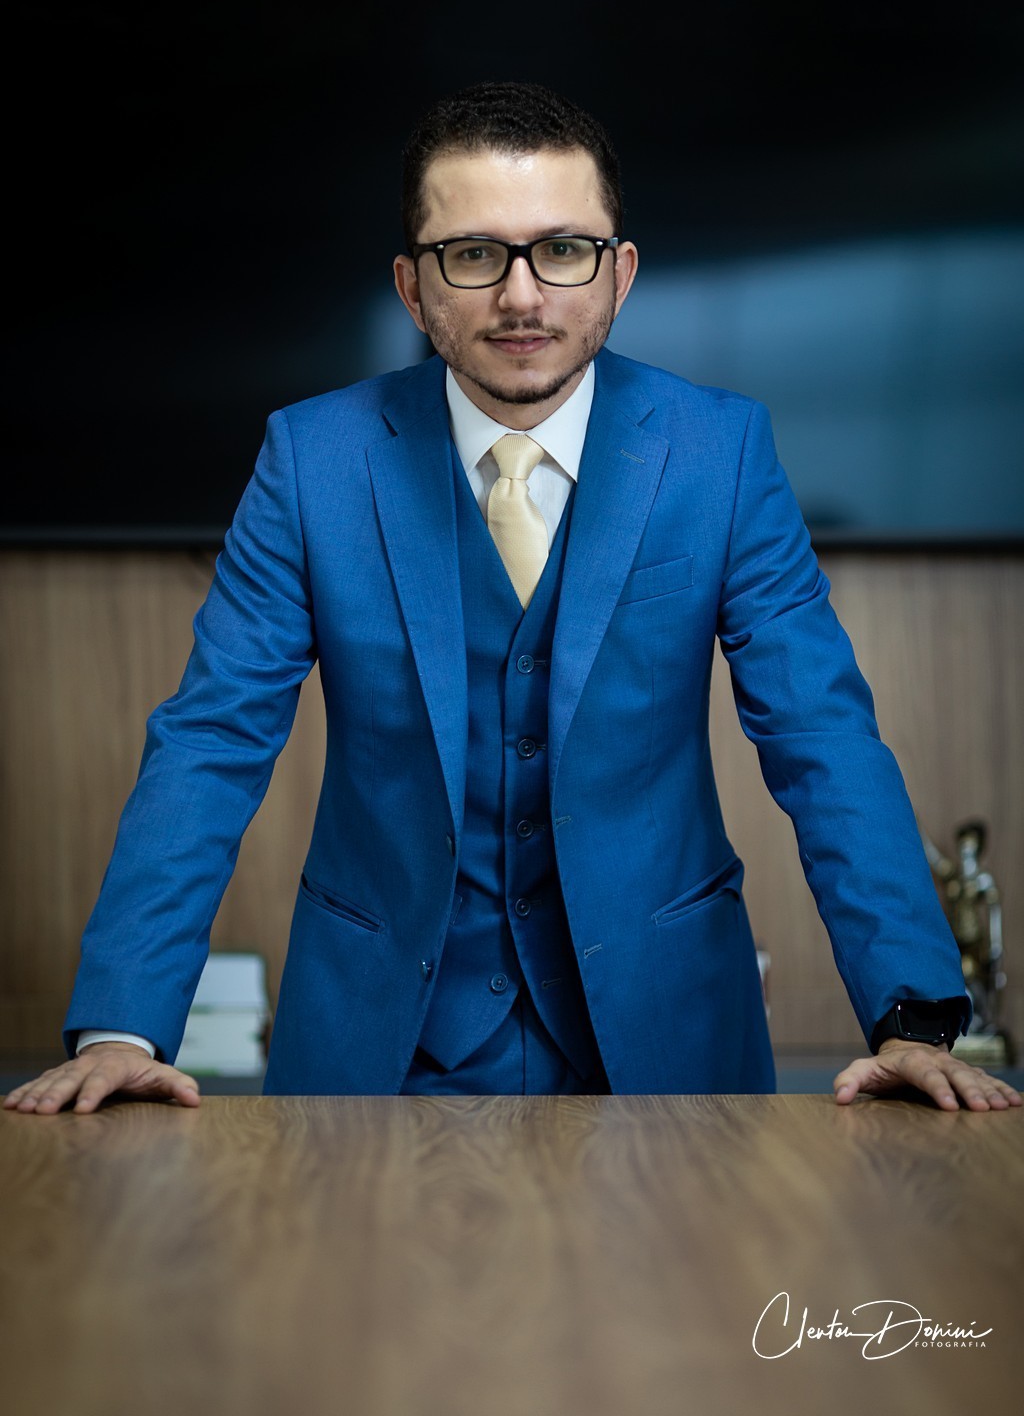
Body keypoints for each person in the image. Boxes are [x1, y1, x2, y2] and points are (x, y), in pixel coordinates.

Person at [5, 82, 1018, 1116]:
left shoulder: (720, 451)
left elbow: (820, 734)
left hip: (668, 1041)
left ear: (620, 273)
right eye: (474, 254)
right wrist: (122, 1023)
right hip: (378, 1048)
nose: (522, 297)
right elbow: (212, 739)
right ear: (412, 288)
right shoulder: (313, 460)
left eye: (563, 250)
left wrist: (913, 1015)